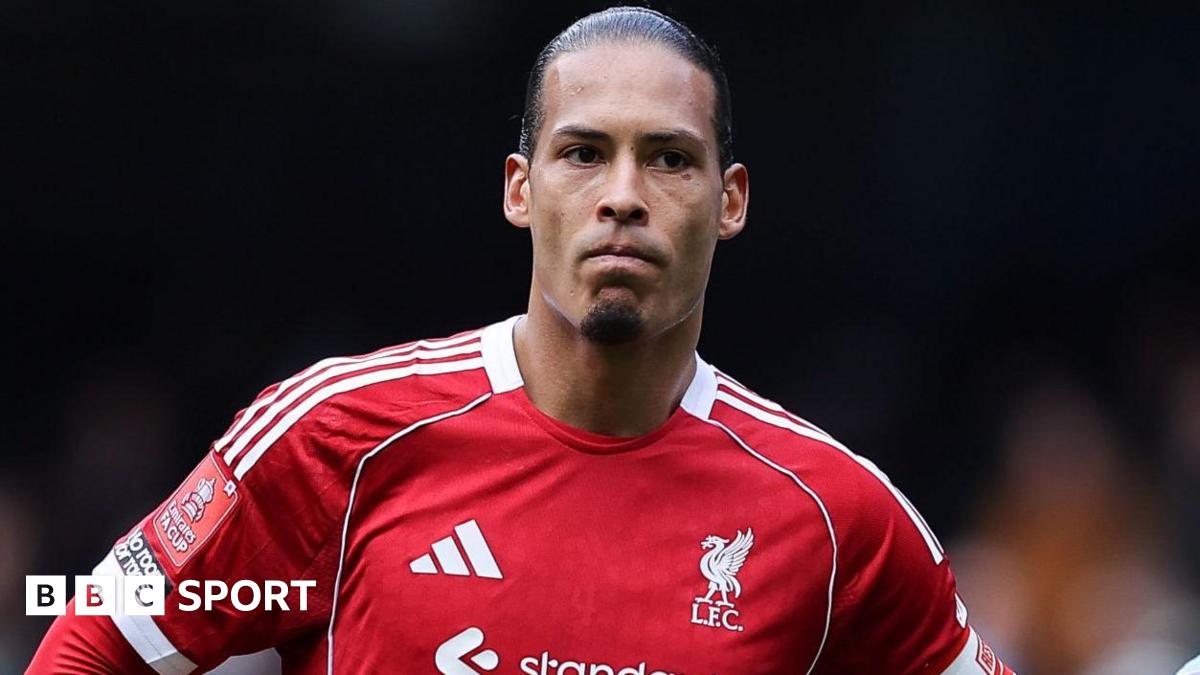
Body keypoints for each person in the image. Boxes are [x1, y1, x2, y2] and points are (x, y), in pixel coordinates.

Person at [29, 7, 1013, 674]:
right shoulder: (335, 437)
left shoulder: (837, 516)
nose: (622, 195)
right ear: (519, 188)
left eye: (669, 159)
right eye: (583, 152)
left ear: (731, 201)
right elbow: (95, 642)